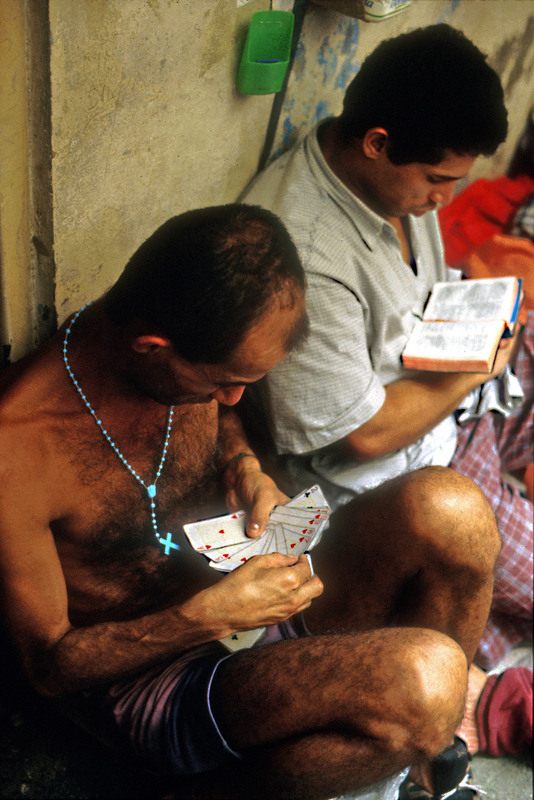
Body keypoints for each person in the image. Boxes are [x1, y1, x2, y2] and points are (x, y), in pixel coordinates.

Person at [0, 204, 502, 799]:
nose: (234, 397)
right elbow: (51, 667)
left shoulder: (187, 351)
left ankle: (424, 765)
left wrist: (244, 465)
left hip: (248, 592)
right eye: (222, 382)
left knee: (454, 511)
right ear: (151, 347)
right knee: (430, 681)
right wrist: (213, 615)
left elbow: (225, 412)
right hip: (150, 677)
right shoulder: (19, 449)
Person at [240, 24, 533, 675]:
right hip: (406, 470)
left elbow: (423, 288)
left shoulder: (382, 179)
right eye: (436, 179)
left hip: (452, 407)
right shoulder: (306, 252)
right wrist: (473, 370)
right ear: (377, 143)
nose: (443, 200)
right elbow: (362, 437)